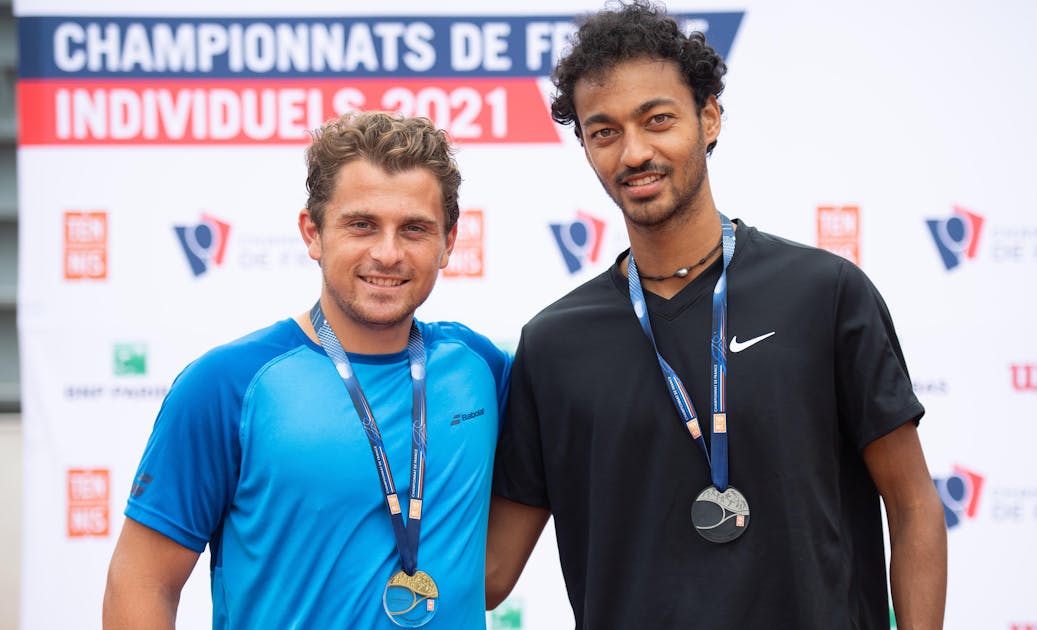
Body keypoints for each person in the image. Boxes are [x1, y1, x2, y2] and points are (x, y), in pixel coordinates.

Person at [485, 2, 947, 628]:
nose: (634, 152)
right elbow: (490, 574)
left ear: (709, 118)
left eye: (658, 120)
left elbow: (914, 502)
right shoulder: (554, 343)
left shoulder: (825, 293)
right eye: (605, 131)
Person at [103, 111, 511, 629]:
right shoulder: (228, 385)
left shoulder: (481, 368)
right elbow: (141, 580)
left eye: (414, 229)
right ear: (312, 233)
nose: (387, 253)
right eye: (361, 225)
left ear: (449, 242)